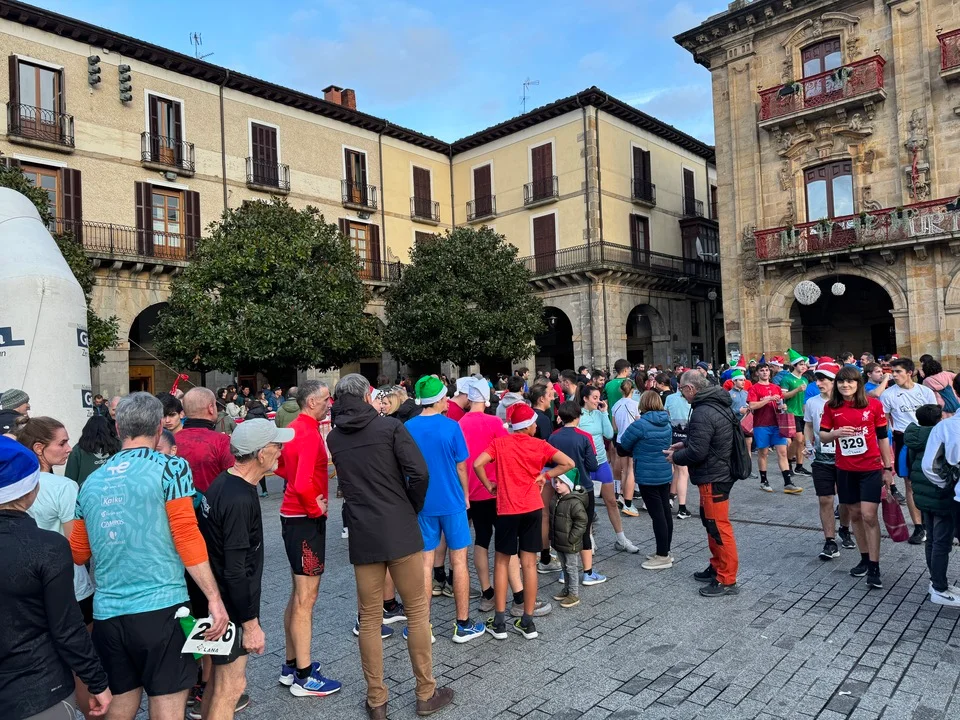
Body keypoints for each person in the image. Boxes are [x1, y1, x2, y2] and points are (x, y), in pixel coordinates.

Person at [69, 392, 228, 720]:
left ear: (118, 428)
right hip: (163, 609)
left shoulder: (91, 482)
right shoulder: (172, 468)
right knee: (167, 707)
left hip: (108, 615)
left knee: (120, 706)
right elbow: (187, 536)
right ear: (159, 427)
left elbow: (78, 552)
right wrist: (214, 598)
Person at [326, 373, 453, 720]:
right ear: (367, 396)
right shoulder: (390, 428)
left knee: (369, 618)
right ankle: (425, 692)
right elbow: (420, 473)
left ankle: (377, 700)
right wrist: (410, 505)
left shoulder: (335, 437)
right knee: (417, 611)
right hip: (399, 526)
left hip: (363, 529)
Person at [0, 436, 112, 720]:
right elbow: (67, 627)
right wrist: (97, 682)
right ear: (31, 488)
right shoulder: (48, 547)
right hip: (37, 689)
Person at [198, 420, 292, 720]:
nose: (281, 451)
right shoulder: (238, 498)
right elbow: (235, 571)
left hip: (217, 603)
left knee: (217, 682)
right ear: (261, 453)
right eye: (277, 445)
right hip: (231, 608)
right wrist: (250, 625)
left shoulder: (225, 482)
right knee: (232, 687)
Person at [16, 417, 99, 719]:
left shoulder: (11, 486)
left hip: (26, 589)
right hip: (71, 588)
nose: (69, 448)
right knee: (82, 664)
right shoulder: (64, 487)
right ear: (39, 448)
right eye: (62, 443)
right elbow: (75, 547)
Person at [474, 403, 573, 640]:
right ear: (528, 426)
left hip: (507, 509)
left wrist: (489, 485)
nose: (536, 426)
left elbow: (477, 463)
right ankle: (527, 621)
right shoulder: (540, 445)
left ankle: (499, 622)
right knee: (529, 564)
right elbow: (568, 463)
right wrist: (545, 475)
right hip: (532, 508)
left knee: (501, 563)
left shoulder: (500, 443)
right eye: (533, 422)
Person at [405, 376, 485, 643]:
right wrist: (466, 495)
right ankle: (462, 624)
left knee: (425, 564)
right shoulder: (451, 426)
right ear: (439, 400)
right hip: (452, 502)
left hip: (423, 504)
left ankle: (422, 627)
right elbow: (462, 466)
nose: (447, 400)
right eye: (444, 397)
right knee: (459, 561)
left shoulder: (408, 427)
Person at [273, 381, 341, 697]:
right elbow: (299, 482)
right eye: (326, 399)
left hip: (293, 518)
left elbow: (281, 467)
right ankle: (303, 675)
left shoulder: (294, 429)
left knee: (298, 594)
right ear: (312, 401)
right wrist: (316, 507)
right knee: (306, 598)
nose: (330, 403)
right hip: (304, 521)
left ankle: (292, 665)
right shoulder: (308, 432)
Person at [819, 366, 894, 589]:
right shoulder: (831, 406)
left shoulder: (873, 405)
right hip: (845, 469)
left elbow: (882, 438)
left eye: (850, 381)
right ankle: (864, 558)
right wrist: (835, 433)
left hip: (870, 468)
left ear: (858, 383)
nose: (845, 385)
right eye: (841, 381)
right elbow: (823, 435)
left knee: (869, 515)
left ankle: (875, 566)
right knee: (855, 514)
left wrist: (887, 468)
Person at [665, 371, 739, 597]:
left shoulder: (703, 410)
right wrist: (684, 444)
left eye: (681, 390)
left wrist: (676, 457)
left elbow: (698, 451)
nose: (681, 395)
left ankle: (727, 578)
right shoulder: (714, 403)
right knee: (711, 523)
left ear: (690, 388)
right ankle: (717, 567)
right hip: (718, 472)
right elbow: (705, 438)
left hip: (714, 476)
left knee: (718, 526)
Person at [904, 405, 959, 607]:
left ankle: (935, 581)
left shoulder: (913, 437)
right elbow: (931, 466)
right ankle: (939, 586)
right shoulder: (942, 430)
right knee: (942, 542)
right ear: (938, 418)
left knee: (933, 540)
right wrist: (946, 485)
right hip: (942, 495)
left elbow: (910, 464)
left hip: (923, 494)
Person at [801, 362, 856, 560]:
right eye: (817, 379)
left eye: (823, 379)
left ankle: (844, 529)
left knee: (846, 499)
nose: (818, 383)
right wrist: (808, 443)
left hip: (846, 457)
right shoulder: (812, 402)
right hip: (822, 458)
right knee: (825, 499)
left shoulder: (849, 402)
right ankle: (830, 541)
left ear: (835, 381)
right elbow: (808, 425)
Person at [881, 357, 936, 543]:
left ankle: (932, 518)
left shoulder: (925, 391)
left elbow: (935, 417)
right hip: (904, 440)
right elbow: (884, 423)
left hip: (927, 438)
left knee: (931, 481)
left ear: (909, 373)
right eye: (893, 372)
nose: (894, 375)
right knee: (910, 484)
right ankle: (919, 527)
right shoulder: (888, 395)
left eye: (898, 372)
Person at [579, 385, 640, 555]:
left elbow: (608, 434)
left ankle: (621, 539)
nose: (598, 401)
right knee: (587, 504)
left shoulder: (599, 413)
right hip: (584, 464)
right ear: (585, 398)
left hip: (601, 462)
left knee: (611, 501)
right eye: (594, 398)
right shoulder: (578, 415)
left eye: (599, 397)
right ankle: (589, 538)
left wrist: (605, 412)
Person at [619, 391, 674, 570]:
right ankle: (665, 550)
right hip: (664, 471)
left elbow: (623, 446)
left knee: (657, 515)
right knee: (665, 512)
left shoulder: (640, 425)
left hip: (647, 474)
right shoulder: (666, 422)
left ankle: (663, 556)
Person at [548, 401, 601, 584]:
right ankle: (588, 572)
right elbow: (593, 465)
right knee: (584, 529)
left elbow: (549, 461)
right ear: (578, 416)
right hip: (583, 488)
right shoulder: (585, 437)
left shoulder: (553, 437)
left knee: (563, 529)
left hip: (560, 488)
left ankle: (565, 572)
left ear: (561, 417)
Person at [748, 362, 800, 494]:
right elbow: (752, 406)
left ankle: (788, 483)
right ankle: (764, 481)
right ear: (757, 373)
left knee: (782, 452)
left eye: (766, 370)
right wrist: (768, 399)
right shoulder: (754, 388)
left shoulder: (776, 387)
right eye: (762, 370)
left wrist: (783, 407)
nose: (765, 372)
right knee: (763, 453)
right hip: (761, 425)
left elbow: (781, 404)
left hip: (778, 425)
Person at [549, 470, 588, 608]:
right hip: (559, 540)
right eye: (556, 482)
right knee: (564, 567)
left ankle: (574, 594)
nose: (557, 485)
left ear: (569, 484)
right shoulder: (556, 498)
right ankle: (567, 589)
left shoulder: (574, 502)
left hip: (569, 543)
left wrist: (572, 538)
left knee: (571, 567)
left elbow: (581, 522)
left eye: (561, 482)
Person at [65, 414, 121, 487]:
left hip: (87, 491)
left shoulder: (78, 449)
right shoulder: (119, 445)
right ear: (109, 430)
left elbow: (70, 478)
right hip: (114, 489)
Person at [664, 376, 693, 518]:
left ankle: (670, 497)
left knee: (677, 468)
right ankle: (682, 508)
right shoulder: (692, 399)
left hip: (673, 436)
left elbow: (666, 415)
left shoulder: (670, 398)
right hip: (686, 438)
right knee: (683, 472)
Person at [611, 378, 640, 516]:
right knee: (631, 471)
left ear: (620, 390)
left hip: (620, 440)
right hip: (632, 440)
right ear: (632, 390)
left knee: (623, 470)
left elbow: (615, 427)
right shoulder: (635, 404)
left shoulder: (615, 405)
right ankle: (628, 503)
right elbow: (638, 423)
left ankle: (622, 495)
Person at [779, 350, 810, 477]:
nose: (804, 366)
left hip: (802, 413)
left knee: (801, 441)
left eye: (805, 364)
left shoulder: (805, 379)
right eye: (801, 364)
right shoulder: (786, 378)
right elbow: (783, 395)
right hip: (791, 412)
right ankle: (788, 461)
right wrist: (797, 389)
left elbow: (804, 398)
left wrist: (806, 411)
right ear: (794, 365)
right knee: (798, 439)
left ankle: (799, 466)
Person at [728, 370, 752, 455]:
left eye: (744, 380)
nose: (743, 382)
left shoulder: (746, 393)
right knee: (736, 448)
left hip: (746, 424)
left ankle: (748, 462)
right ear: (734, 381)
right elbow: (726, 410)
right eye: (740, 380)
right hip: (734, 424)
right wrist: (739, 411)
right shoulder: (728, 394)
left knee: (748, 446)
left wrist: (749, 409)